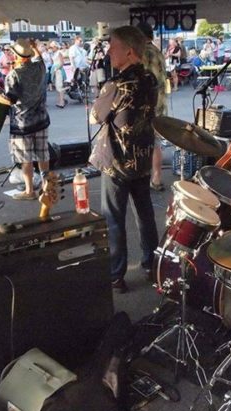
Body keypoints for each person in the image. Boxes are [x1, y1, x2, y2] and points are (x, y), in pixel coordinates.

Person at [89, 25, 159, 293]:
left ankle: (116, 275)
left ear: (129, 51)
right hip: (142, 159)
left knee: (114, 220)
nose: (108, 52)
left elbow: (96, 116)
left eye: (113, 47)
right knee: (145, 214)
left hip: (117, 162)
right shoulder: (150, 79)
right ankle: (152, 265)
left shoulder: (116, 85)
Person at [0, 38, 51, 201]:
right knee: (43, 155)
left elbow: (9, 100)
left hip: (22, 124)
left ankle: (29, 191)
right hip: (41, 119)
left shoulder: (14, 74)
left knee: (25, 158)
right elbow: (39, 58)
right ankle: (46, 186)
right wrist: (34, 47)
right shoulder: (40, 67)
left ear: (16, 56)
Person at [137, 22, 167, 192]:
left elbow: (141, 80)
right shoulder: (157, 51)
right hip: (160, 103)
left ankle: (144, 177)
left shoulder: (144, 52)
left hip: (148, 104)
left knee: (145, 143)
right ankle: (156, 178)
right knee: (156, 142)